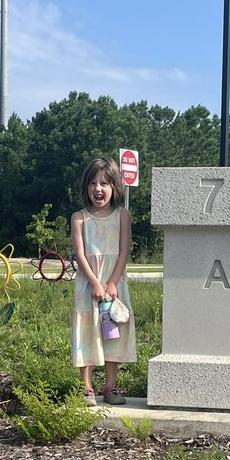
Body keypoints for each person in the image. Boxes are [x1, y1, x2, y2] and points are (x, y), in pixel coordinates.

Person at [71, 157, 136, 406]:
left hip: (114, 283)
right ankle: (86, 387)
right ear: (86, 188)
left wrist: (112, 283)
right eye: (93, 183)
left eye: (105, 183)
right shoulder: (79, 218)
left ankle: (110, 387)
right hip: (89, 283)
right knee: (87, 331)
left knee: (114, 333)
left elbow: (123, 252)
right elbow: (80, 254)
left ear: (115, 187)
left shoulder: (122, 216)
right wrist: (96, 283)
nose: (98, 189)